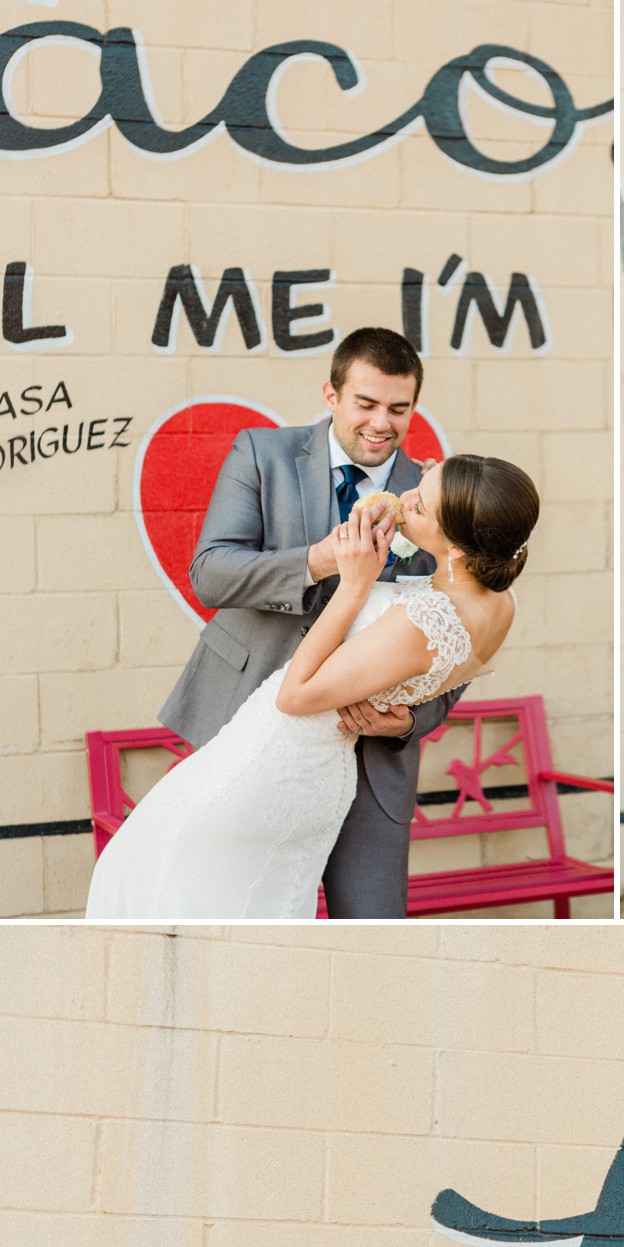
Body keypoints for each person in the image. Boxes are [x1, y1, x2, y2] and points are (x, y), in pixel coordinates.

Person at [88, 455, 535, 920]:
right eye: (420, 481)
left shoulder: (426, 619)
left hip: (273, 764)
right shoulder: (500, 600)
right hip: (306, 770)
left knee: (166, 885)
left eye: (419, 508)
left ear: (460, 549)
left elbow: (294, 697)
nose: (403, 501)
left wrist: (355, 586)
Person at [148, 328, 465, 917]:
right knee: (229, 912)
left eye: (399, 409)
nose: (381, 423)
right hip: (250, 730)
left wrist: (407, 722)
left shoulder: (431, 496)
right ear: (331, 395)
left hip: (369, 758)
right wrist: (323, 558)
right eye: (365, 404)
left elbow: (457, 633)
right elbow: (212, 573)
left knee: (372, 929)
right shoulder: (261, 454)